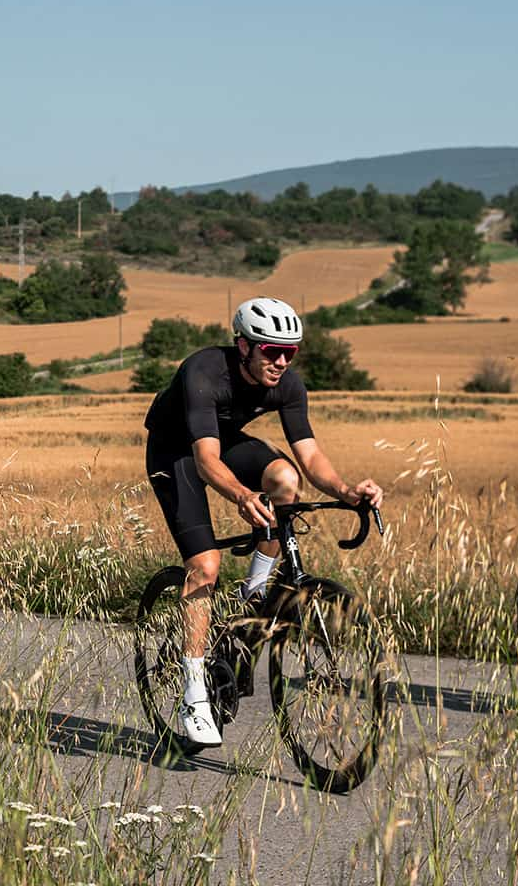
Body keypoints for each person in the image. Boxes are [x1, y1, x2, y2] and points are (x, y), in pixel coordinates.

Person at [143, 296, 384, 747]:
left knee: (285, 481)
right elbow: (205, 459)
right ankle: (193, 691)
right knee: (207, 566)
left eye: (289, 351)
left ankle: (254, 593)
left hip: (225, 440)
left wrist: (349, 491)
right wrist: (240, 495)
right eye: (270, 350)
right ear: (243, 346)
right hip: (177, 451)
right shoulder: (204, 371)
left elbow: (309, 456)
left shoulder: (288, 386)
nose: (280, 361)